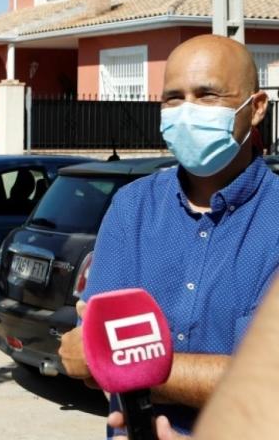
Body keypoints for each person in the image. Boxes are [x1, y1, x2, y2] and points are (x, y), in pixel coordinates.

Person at [58, 34, 279, 438]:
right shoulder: (132, 208)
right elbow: (84, 351)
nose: (188, 111)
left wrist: (132, 364)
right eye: (174, 97)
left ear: (257, 107)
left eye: (207, 95)